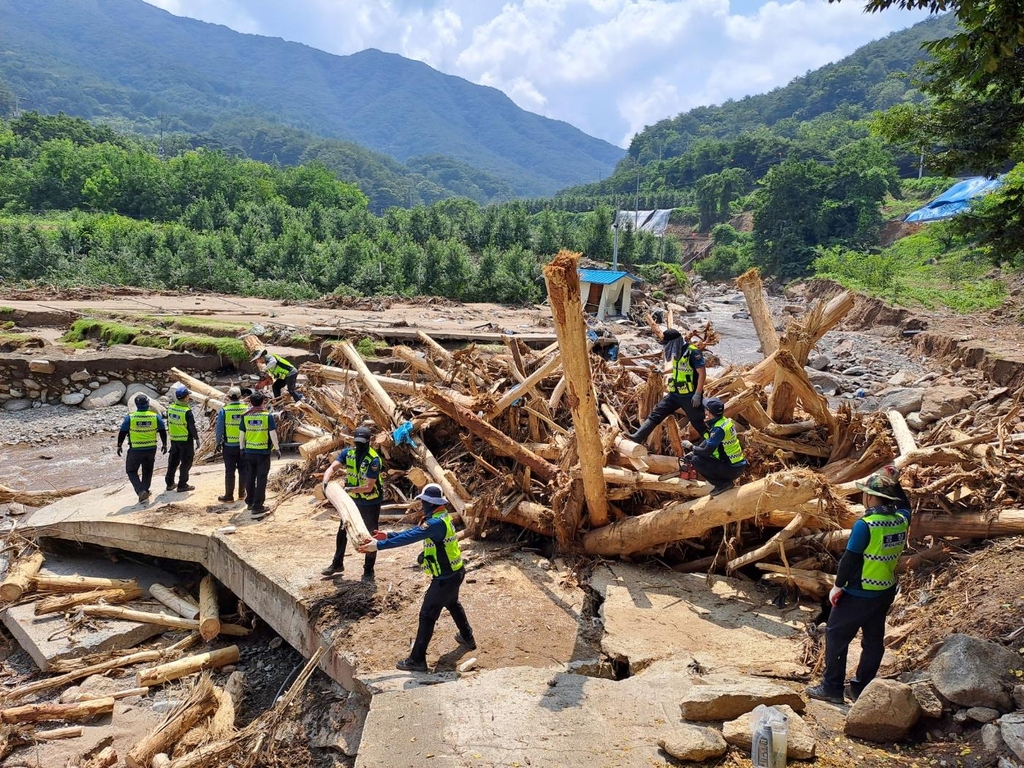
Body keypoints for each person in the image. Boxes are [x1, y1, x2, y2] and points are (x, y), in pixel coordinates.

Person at [806, 470, 911, 704]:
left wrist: (837, 586)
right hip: (884, 591)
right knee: (873, 641)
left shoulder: (866, 525)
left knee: (836, 636)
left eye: (866, 494)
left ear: (871, 498)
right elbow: (906, 505)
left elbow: (849, 560)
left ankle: (832, 688)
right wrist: (895, 483)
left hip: (857, 592)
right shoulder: (901, 520)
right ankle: (861, 688)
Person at [358, 483, 475, 672]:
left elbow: (411, 538)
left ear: (430, 502)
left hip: (444, 578)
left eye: (423, 502)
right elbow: (412, 533)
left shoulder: (435, 523)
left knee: (427, 615)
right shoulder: (441, 518)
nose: (422, 505)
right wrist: (386, 535)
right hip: (456, 572)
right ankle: (467, 637)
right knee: (452, 603)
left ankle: (417, 659)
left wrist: (378, 546)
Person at [320, 426, 384, 581]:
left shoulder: (374, 459)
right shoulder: (348, 453)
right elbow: (333, 467)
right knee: (343, 530)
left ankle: (368, 570)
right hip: (351, 500)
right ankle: (337, 563)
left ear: (369, 441)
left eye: (362, 442)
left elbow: (369, 487)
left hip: (370, 501)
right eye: (357, 442)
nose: (359, 445)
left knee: (370, 534)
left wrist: (348, 490)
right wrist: (325, 481)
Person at [628, 328, 707, 443]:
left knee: (698, 423)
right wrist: (662, 372)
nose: (666, 347)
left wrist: (698, 394)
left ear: (675, 342)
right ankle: (637, 437)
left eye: (667, 344)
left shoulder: (693, 352)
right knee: (656, 414)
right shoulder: (677, 352)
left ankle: (713, 447)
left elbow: (702, 373)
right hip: (675, 394)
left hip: (690, 396)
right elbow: (677, 369)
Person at [683, 397, 747, 496]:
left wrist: (692, 447)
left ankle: (723, 484)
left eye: (706, 411)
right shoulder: (723, 422)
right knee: (696, 455)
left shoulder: (718, 430)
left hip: (731, 468)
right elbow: (709, 441)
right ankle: (723, 481)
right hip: (737, 464)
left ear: (710, 413)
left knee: (696, 460)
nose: (705, 412)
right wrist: (694, 450)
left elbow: (706, 452)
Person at [116, 394, 167, 504]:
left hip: (135, 449)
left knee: (131, 470)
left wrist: (119, 445)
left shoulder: (130, 417)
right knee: (147, 470)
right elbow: (163, 431)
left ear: (136, 405)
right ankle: (144, 490)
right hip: (151, 448)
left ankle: (140, 490)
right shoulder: (155, 417)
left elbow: (123, 432)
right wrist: (165, 444)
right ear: (148, 403)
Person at [239, 391, 282, 519]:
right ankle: (258, 506)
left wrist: (241, 448)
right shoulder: (266, 416)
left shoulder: (246, 416)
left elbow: (241, 434)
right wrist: (277, 448)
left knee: (250, 477)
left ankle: (250, 502)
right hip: (263, 452)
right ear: (263, 402)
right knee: (261, 479)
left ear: (250, 402)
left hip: (249, 452)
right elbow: (272, 433)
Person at [215, 386, 248, 503]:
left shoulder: (225, 410)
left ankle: (229, 496)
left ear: (228, 397)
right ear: (240, 397)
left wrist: (217, 442)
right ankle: (242, 494)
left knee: (230, 471)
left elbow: (219, 429)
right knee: (243, 470)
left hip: (229, 446)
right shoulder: (247, 409)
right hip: (244, 446)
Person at [165, 386, 200, 493]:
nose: (189, 397)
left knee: (173, 462)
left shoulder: (170, 408)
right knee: (186, 462)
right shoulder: (186, 411)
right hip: (185, 440)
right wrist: (196, 439)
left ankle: (169, 483)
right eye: (188, 395)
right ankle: (182, 484)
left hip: (174, 439)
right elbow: (191, 427)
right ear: (185, 398)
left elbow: (168, 423)